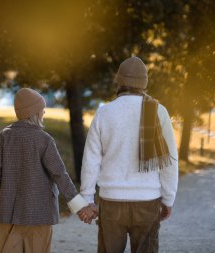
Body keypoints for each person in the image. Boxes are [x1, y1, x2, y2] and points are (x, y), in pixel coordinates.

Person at [78, 56, 179, 253]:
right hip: (148, 201)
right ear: (144, 84)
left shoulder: (104, 113)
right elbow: (169, 162)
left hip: (111, 202)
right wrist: (168, 199)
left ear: (119, 82)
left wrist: (87, 197)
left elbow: (91, 160)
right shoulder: (159, 112)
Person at [0, 88, 94, 253]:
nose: (44, 111)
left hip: (4, 214)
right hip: (38, 216)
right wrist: (80, 206)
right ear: (35, 112)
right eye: (42, 108)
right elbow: (60, 175)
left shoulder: (3, 136)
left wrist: (3, 192)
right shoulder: (44, 140)